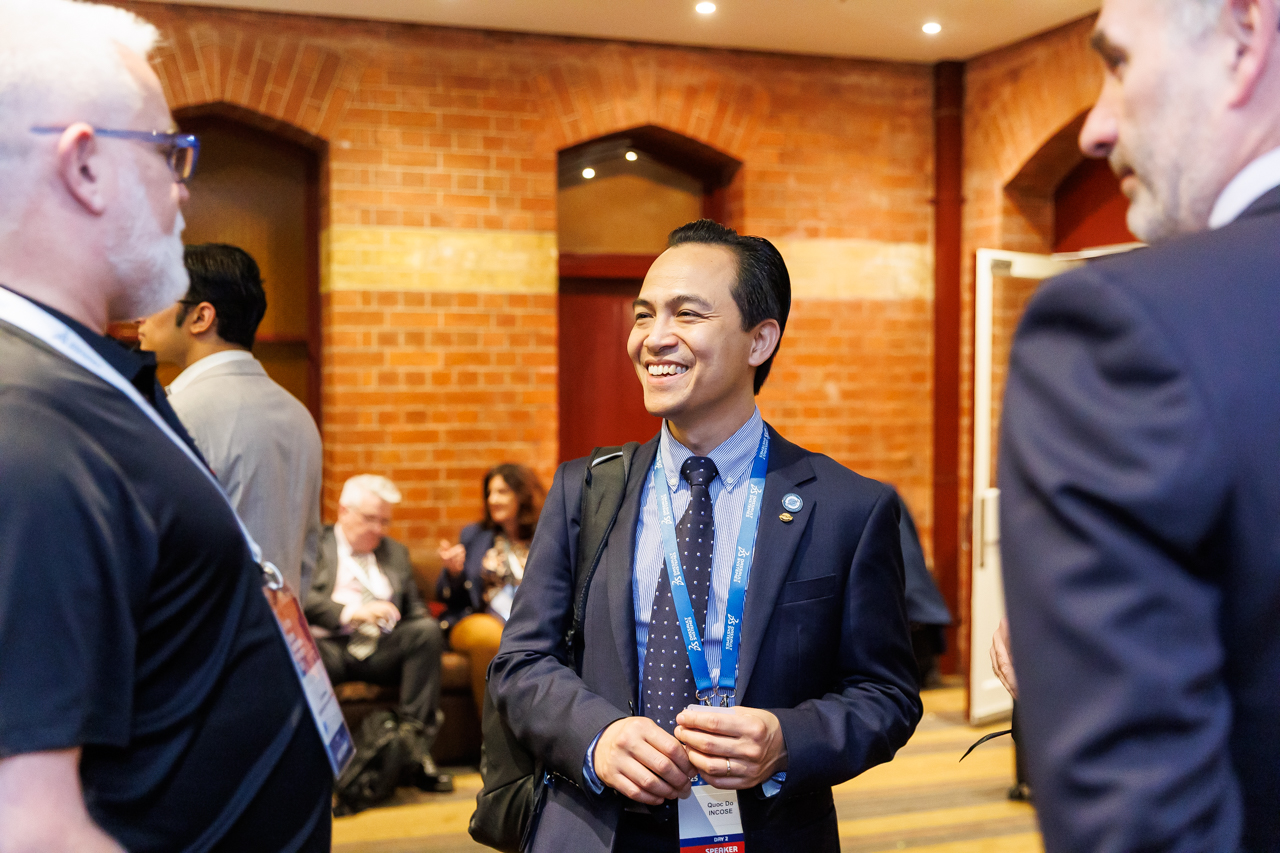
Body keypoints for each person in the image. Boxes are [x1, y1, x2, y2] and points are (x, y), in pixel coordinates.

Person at [0, 2, 333, 850]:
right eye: (165, 152)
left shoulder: (86, 377)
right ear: (84, 166)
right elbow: (30, 826)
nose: (183, 187)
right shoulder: (26, 419)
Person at [489, 220, 922, 853]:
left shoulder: (847, 507)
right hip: (596, 828)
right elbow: (520, 664)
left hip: (764, 831)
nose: (653, 338)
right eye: (644, 315)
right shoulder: (586, 490)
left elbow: (886, 695)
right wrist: (597, 736)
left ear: (760, 340)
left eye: (687, 314)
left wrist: (786, 740)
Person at [998, 0, 1280, 849]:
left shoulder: (1124, 327)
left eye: (1117, 64)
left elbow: (1135, 820)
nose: (1096, 128)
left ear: (1244, 38)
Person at [136, 242, 323, 594]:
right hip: (280, 622)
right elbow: (308, 554)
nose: (139, 315)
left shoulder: (175, 414)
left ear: (201, 317)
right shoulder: (300, 416)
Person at [305, 474, 454, 793]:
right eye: (370, 519)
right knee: (302, 652)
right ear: (344, 511)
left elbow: (415, 610)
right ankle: (312, 765)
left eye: (385, 521)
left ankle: (414, 751)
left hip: (380, 646)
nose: (379, 529)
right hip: (329, 645)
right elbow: (299, 597)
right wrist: (352, 612)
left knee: (426, 632)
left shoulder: (394, 552)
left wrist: (403, 617)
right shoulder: (314, 544)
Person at [437, 463, 546, 710]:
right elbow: (450, 597)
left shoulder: (545, 535)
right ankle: (498, 727)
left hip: (531, 622)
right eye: (489, 493)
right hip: (481, 619)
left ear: (523, 495)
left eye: (502, 492)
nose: (492, 500)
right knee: (490, 635)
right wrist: (454, 573)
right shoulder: (475, 535)